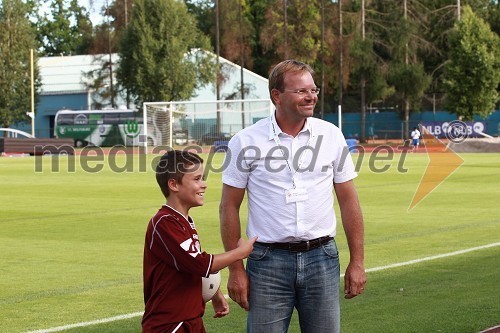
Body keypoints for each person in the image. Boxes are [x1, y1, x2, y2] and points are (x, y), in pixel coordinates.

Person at [220, 60, 366, 333]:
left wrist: (357, 262)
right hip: (267, 263)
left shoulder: (331, 135)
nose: (311, 96)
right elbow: (229, 207)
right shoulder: (246, 141)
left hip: (322, 258)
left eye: (314, 89)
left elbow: (349, 201)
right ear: (277, 95)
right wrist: (235, 269)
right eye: (301, 91)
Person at [142, 150, 257, 333]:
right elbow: (199, 263)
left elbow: (191, 263)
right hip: (170, 323)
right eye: (196, 179)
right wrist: (239, 253)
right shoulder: (164, 223)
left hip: (190, 318)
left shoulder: (184, 220)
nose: (204, 185)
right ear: (173, 184)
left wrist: (214, 292)